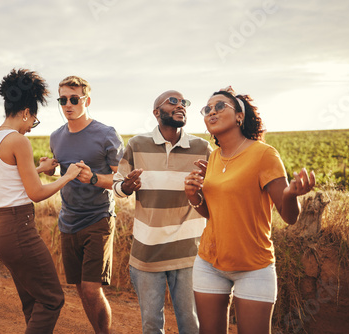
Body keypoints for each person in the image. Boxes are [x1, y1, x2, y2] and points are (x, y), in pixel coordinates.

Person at [184, 86, 316, 334]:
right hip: (209, 262)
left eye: (220, 106)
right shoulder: (213, 158)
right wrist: (194, 197)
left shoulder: (264, 154)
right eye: (207, 109)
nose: (212, 111)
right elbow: (215, 214)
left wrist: (289, 195)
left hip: (254, 266)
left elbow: (290, 217)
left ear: (239, 116)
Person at [0, 69, 83, 334]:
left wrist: (39, 170)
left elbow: (9, 178)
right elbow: (35, 193)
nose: (30, 127)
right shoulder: (18, 141)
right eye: (33, 121)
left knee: (32, 299)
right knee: (52, 299)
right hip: (18, 230)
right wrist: (68, 176)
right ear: (26, 112)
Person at [112, 90, 212, 334]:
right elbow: (117, 186)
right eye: (173, 101)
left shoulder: (203, 148)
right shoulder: (137, 144)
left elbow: (215, 193)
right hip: (147, 253)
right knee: (151, 325)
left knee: (191, 325)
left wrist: (208, 184)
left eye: (184, 102)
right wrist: (126, 187)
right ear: (156, 113)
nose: (181, 105)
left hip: (189, 253)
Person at [46, 75, 124, 334]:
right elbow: (64, 176)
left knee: (92, 288)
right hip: (68, 221)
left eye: (74, 99)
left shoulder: (106, 134)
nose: (68, 104)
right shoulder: (56, 137)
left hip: (98, 218)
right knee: (81, 289)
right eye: (63, 99)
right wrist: (49, 171)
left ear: (86, 100)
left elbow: (121, 179)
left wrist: (93, 178)